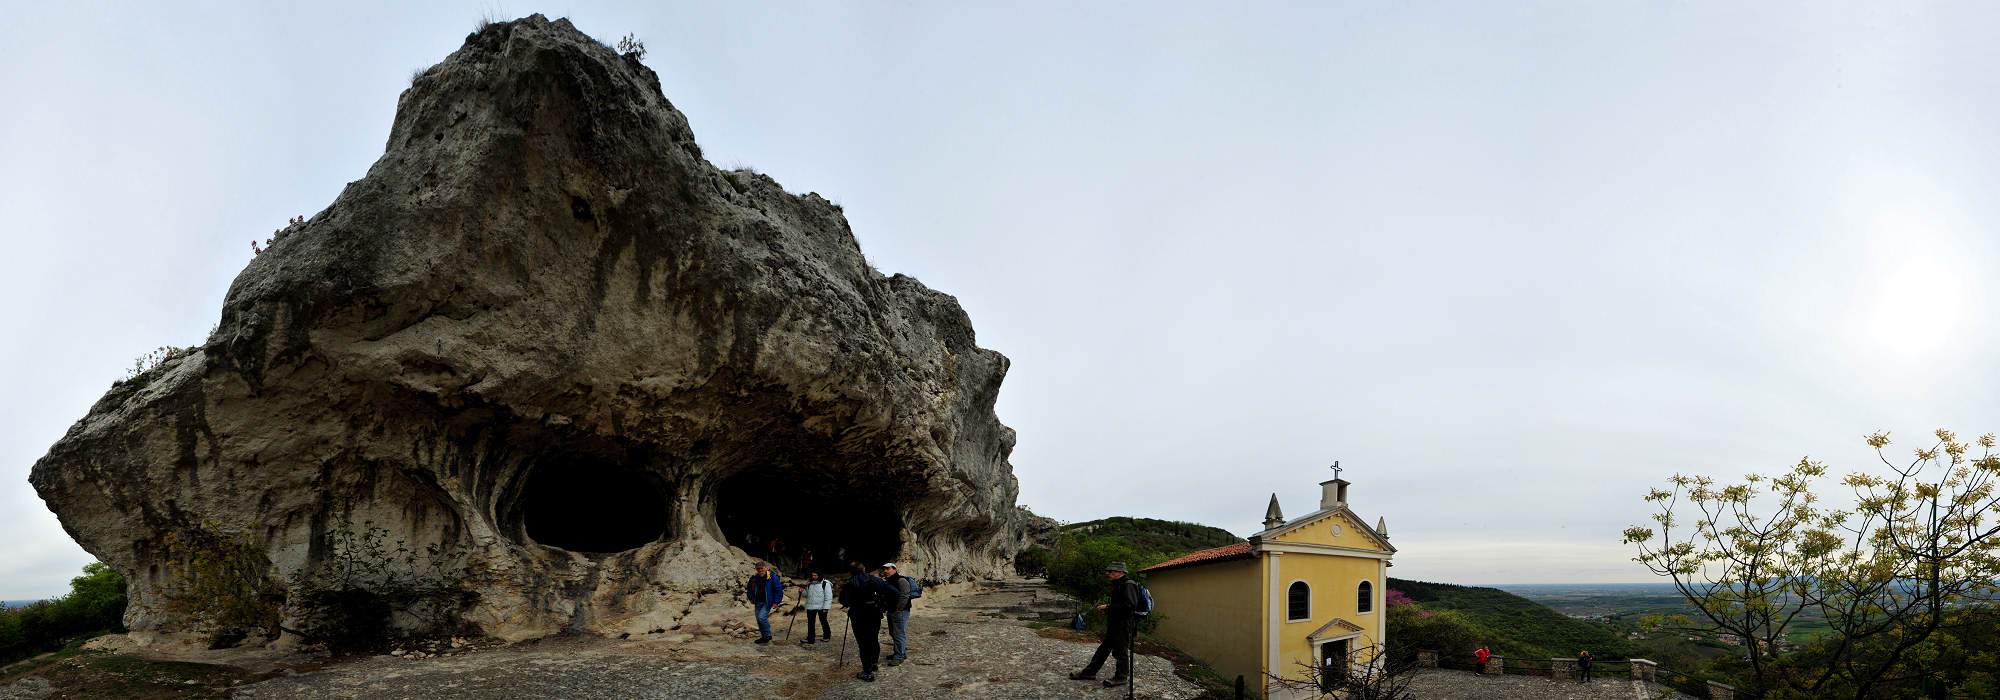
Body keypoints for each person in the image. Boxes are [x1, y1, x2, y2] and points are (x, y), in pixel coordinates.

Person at [1068, 561, 1143, 688]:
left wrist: (1108, 606)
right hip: (1115, 623)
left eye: (1111, 571)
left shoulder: (1128, 585)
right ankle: (1089, 673)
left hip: (1123, 624)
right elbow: (1120, 605)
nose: (1107, 573)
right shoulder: (1119, 584)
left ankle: (1121, 677)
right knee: (1103, 649)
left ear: (1120, 572)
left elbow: (1129, 605)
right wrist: (1108, 610)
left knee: (1121, 651)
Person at [838, 561, 900, 682]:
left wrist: (853, 602)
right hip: (874, 614)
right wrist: (883, 605)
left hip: (858, 615)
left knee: (863, 643)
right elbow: (895, 593)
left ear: (851, 572)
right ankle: (874, 663)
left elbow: (844, 601)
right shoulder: (875, 580)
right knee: (873, 638)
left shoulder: (850, 584)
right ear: (864, 569)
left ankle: (867, 671)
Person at [881, 562, 919, 665]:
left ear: (895, 569)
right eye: (884, 569)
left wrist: (899, 608)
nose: (885, 571)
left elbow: (905, 595)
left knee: (899, 634)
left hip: (900, 611)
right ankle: (900, 652)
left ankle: (899, 656)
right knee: (893, 633)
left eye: (888, 569)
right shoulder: (889, 581)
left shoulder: (901, 580)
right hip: (891, 610)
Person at [745, 563, 783, 644]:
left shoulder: (772, 577)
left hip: (767, 602)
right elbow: (749, 589)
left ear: (765, 568)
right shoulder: (754, 578)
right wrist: (751, 598)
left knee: (762, 617)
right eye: (758, 569)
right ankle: (764, 637)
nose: (760, 570)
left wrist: (776, 602)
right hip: (757, 601)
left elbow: (778, 590)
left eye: (762, 568)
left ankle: (768, 635)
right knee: (758, 620)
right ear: (756, 569)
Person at [799, 571, 833, 644]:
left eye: (815, 575)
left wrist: (826, 607)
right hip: (810, 605)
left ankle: (827, 636)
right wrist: (802, 592)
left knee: (823, 621)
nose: (814, 577)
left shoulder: (825, 584)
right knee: (810, 623)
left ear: (819, 575)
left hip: (821, 606)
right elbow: (806, 595)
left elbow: (828, 597)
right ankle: (810, 638)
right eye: (812, 575)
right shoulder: (810, 584)